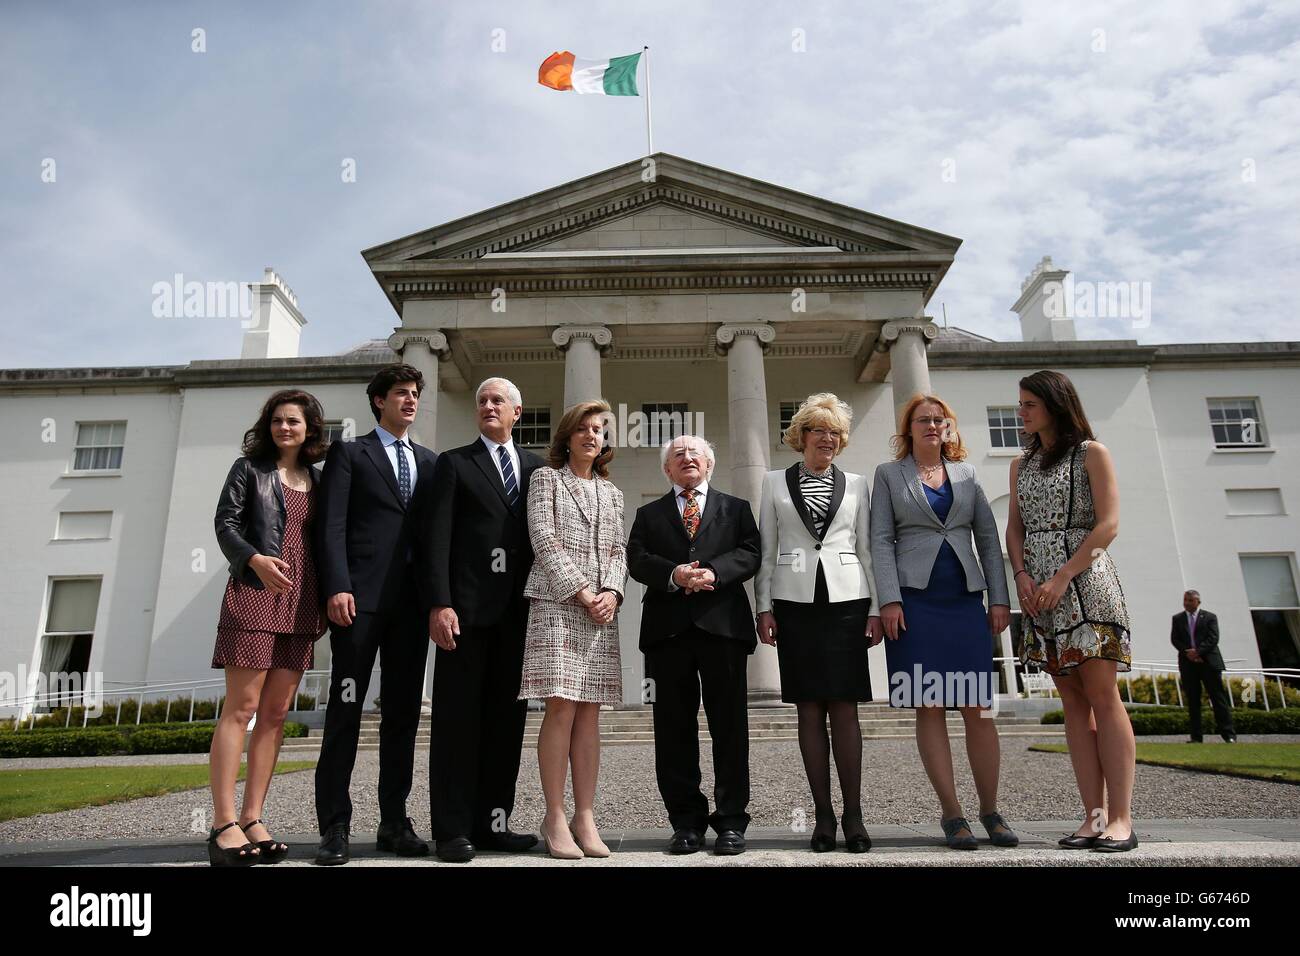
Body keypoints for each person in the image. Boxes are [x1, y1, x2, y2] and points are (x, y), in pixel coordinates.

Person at [870, 394, 1018, 850]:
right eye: (923, 420)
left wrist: (999, 599)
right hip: (915, 604)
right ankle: (952, 815)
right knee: (929, 706)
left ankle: (991, 810)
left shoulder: (968, 475)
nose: (932, 425)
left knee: (978, 708)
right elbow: (880, 539)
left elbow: (989, 541)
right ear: (908, 429)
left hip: (964, 600)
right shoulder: (888, 474)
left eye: (939, 420)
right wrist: (890, 600)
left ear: (949, 427)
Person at [1009, 370, 1137, 853]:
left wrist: (1063, 576)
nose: (1020, 413)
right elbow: (1014, 530)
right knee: (1072, 703)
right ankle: (1093, 816)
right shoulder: (1021, 465)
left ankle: (1122, 819)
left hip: (1087, 586)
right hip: (1039, 595)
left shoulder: (1092, 453)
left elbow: (1108, 524)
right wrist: (1022, 576)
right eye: (1020, 404)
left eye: (1028, 405)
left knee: (1103, 696)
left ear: (1055, 405)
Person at [313, 365, 437, 865]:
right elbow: (332, 526)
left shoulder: (429, 463)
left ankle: (394, 822)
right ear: (378, 401)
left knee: (403, 716)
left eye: (414, 394)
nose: (410, 401)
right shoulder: (349, 452)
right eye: (401, 394)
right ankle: (335, 827)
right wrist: (338, 585)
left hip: (411, 608)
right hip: (358, 604)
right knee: (345, 710)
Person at [755, 392, 881, 853]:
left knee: (845, 708)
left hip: (849, 601)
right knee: (809, 708)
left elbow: (865, 547)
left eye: (835, 433)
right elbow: (767, 550)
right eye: (818, 430)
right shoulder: (771, 483)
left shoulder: (858, 483)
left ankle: (854, 814)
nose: (827, 438)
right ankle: (822, 816)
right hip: (794, 603)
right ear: (801, 436)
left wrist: (874, 608)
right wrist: (763, 607)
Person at [425, 377, 544, 863]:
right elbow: (437, 538)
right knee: (456, 722)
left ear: (517, 411)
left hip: (520, 616)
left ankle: (493, 823)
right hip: (465, 614)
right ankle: (452, 830)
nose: (488, 406)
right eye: (482, 401)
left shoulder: (539, 469)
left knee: (505, 724)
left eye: (498, 401)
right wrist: (439, 602)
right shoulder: (455, 463)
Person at [209, 389, 329, 866]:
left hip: (300, 605)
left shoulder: (319, 481)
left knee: (276, 715)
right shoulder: (248, 470)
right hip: (255, 596)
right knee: (242, 709)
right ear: (268, 425)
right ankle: (222, 825)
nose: (285, 428)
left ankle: (253, 816)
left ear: (310, 430)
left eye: (294, 421)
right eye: (278, 420)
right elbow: (225, 524)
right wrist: (254, 559)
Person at [627, 435, 761, 856]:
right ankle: (685, 822)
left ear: (709, 465)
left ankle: (731, 822)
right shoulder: (649, 513)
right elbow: (636, 559)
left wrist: (713, 574)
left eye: (695, 454)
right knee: (673, 731)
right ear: (667, 470)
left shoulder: (735, 508)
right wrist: (676, 574)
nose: (687, 459)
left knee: (729, 728)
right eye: (677, 455)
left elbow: (751, 552)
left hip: (722, 628)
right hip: (668, 632)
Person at [520, 400, 627, 859]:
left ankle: (586, 814)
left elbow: (619, 548)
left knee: (590, 711)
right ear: (567, 436)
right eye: (583, 429)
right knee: (560, 706)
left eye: (599, 430)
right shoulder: (546, 479)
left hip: (602, 611)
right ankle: (555, 815)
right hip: (557, 604)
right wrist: (582, 591)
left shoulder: (614, 492)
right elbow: (543, 537)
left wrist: (613, 593)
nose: (591, 436)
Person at [1172, 590, 1236, 743]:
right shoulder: (1178, 619)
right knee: (1193, 700)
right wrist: (1188, 653)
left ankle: (1229, 735)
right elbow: (1175, 639)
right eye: (1185, 600)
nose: (1186, 603)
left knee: (1218, 698)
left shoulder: (1209, 617)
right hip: (1189, 665)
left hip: (1209, 664)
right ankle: (1196, 736)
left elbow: (1213, 638)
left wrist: (1198, 652)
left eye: (1190, 600)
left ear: (1198, 602)